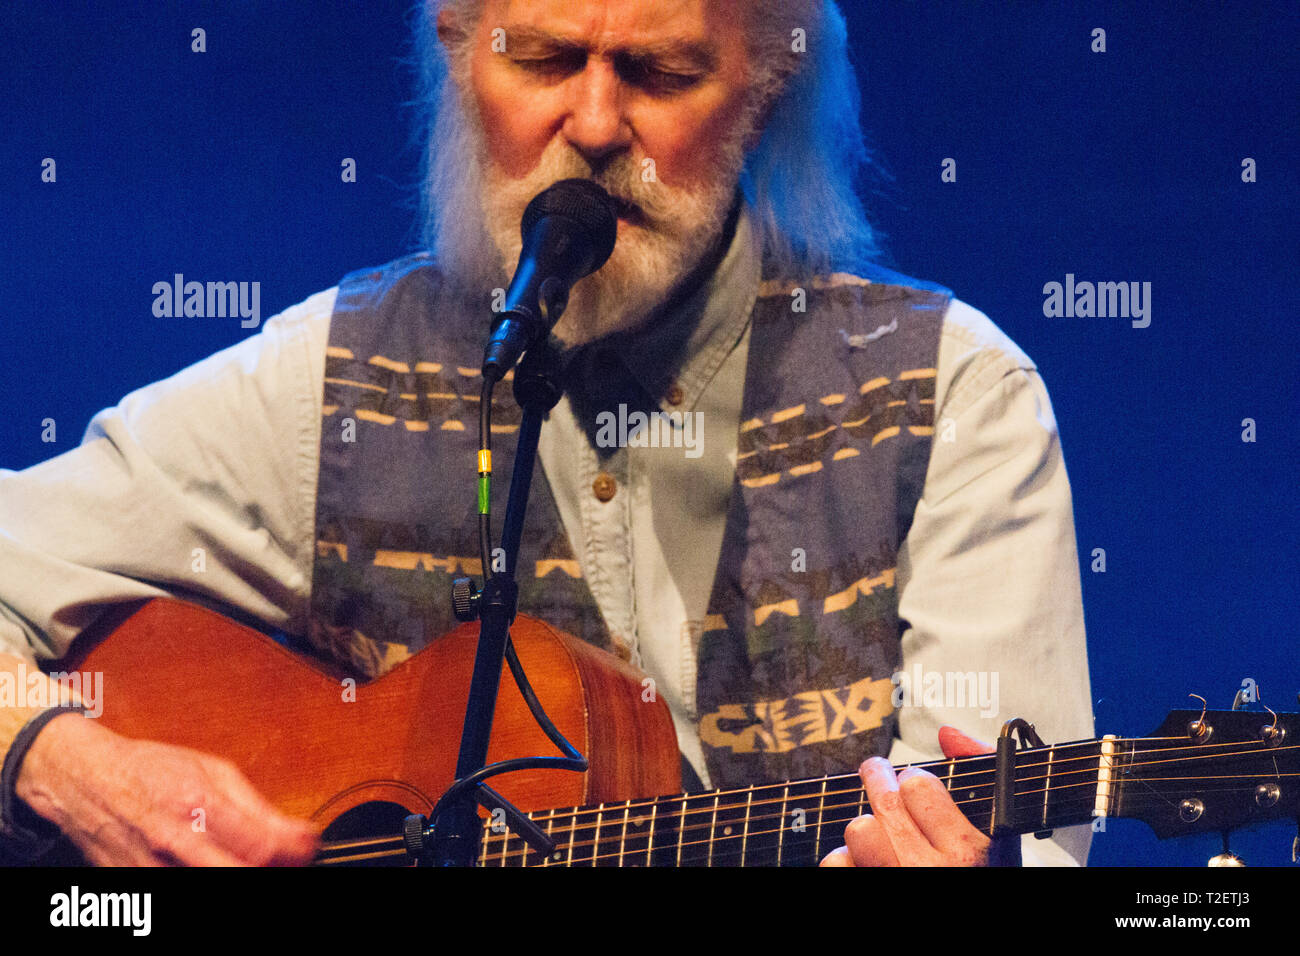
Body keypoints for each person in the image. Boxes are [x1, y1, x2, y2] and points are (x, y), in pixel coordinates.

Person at [0, 0, 1093, 866]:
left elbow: (1007, 832)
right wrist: (64, 761)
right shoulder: (331, 381)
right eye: (540, 61)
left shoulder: (949, 399)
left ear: (764, 89)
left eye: (662, 74)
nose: (598, 127)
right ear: (459, 53)